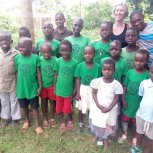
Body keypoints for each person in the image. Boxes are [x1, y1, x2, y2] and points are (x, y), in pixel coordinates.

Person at [118, 49, 150, 145]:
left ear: (146, 61)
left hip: (139, 104)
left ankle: (136, 137)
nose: (138, 63)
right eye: (136, 60)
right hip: (128, 101)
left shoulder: (147, 75)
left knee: (136, 122)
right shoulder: (130, 72)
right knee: (125, 119)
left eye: (141, 61)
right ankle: (124, 133)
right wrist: (123, 98)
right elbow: (125, 86)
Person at [90, 59, 123, 149]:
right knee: (99, 123)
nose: (107, 71)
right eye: (104, 69)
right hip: (99, 108)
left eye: (109, 69)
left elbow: (117, 98)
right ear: (101, 70)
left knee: (108, 123)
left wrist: (109, 108)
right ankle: (97, 135)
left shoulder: (117, 84)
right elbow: (94, 93)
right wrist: (98, 105)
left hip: (110, 109)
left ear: (114, 70)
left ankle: (105, 139)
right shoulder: (97, 81)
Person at [14, 37, 43, 134]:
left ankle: (37, 125)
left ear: (30, 48)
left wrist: (40, 86)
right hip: (21, 88)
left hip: (32, 88)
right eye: (19, 47)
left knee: (34, 107)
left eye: (23, 47)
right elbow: (17, 72)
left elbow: (38, 73)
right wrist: (17, 85)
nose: (20, 49)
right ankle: (27, 121)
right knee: (23, 106)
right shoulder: (17, 58)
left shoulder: (35, 58)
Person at [74, 46, 101, 132]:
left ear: (94, 54)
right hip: (83, 88)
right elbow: (77, 79)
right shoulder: (80, 66)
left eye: (90, 53)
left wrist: (98, 92)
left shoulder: (98, 66)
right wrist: (78, 93)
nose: (88, 55)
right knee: (81, 106)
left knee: (91, 106)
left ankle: (90, 123)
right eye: (85, 53)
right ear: (83, 54)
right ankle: (80, 122)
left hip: (93, 90)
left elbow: (99, 81)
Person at [54, 40, 78, 133]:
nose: (64, 52)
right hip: (59, 90)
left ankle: (70, 119)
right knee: (59, 107)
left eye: (66, 50)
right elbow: (56, 75)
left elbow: (76, 78)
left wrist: (75, 89)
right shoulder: (58, 61)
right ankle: (63, 120)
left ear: (71, 50)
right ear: (60, 51)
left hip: (69, 90)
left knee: (68, 107)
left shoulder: (75, 62)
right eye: (62, 50)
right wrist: (54, 88)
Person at [129, 63, 153, 153]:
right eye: (152, 72)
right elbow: (141, 96)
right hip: (142, 114)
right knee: (139, 132)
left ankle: (149, 150)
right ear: (149, 71)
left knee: (151, 136)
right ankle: (137, 147)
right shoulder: (144, 83)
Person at [0, 31, 21, 128]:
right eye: (1, 40)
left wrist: (18, 83)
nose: (4, 42)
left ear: (11, 41)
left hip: (13, 83)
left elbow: (19, 69)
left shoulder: (16, 54)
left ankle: (15, 119)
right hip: (1, 84)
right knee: (4, 101)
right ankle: (6, 118)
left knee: (14, 101)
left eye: (6, 40)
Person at [39, 42, 57, 128]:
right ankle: (45, 118)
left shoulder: (55, 60)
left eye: (48, 52)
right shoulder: (39, 60)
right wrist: (39, 85)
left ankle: (52, 117)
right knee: (43, 101)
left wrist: (54, 86)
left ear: (51, 52)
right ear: (41, 52)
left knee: (52, 102)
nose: (46, 54)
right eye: (44, 52)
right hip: (43, 86)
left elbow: (55, 74)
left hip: (51, 85)